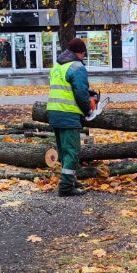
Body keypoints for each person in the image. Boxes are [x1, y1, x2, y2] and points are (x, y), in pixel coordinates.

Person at [47, 38, 91, 197]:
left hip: (54, 112)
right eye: (83, 54)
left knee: (64, 150)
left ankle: (70, 179)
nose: (83, 57)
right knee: (72, 151)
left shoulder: (57, 67)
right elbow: (80, 93)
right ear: (80, 52)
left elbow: (65, 89)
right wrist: (88, 110)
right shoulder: (77, 67)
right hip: (68, 114)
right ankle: (66, 187)